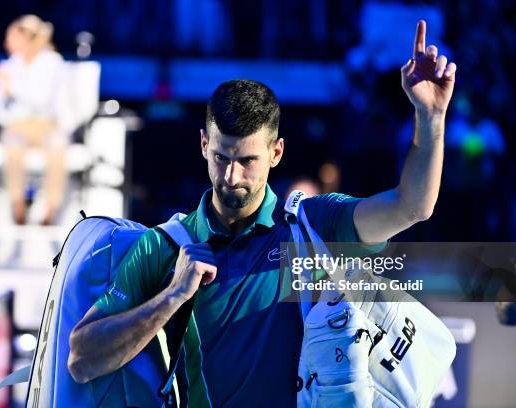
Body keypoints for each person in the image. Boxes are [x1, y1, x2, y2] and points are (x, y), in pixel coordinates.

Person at [68, 20, 456, 407]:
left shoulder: (315, 225)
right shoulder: (163, 246)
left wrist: (430, 120)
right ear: (204, 144)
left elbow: (412, 207)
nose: (231, 176)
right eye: (221, 157)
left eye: (247, 160)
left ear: (277, 153)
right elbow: (82, 361)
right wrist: (172, 296)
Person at [0, 15, 68, 225]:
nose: (7, 43)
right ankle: (18, 206)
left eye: (12, 38)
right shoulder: (8, 65)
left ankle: (51, 208)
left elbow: (43, 99)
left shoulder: (52, 62)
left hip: (46, 124)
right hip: (17, 125)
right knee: (12, 146)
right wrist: (5, 95)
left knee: (58, 145)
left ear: (27, 38)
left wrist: (12, 88)